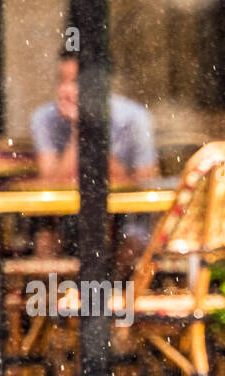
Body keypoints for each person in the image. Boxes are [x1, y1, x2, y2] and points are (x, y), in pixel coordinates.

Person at [29, 48, 159, 270]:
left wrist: (92, 132)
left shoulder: (134, 118)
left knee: (132, 241)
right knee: (45, 238)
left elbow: (144, 184)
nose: (66, 90)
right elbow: (51, 183)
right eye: (62, 81)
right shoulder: (44, 119)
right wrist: (78, 130)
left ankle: (118, 300)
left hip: (126, 218)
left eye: (75, 82)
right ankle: (54, 302)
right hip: (65, 217)